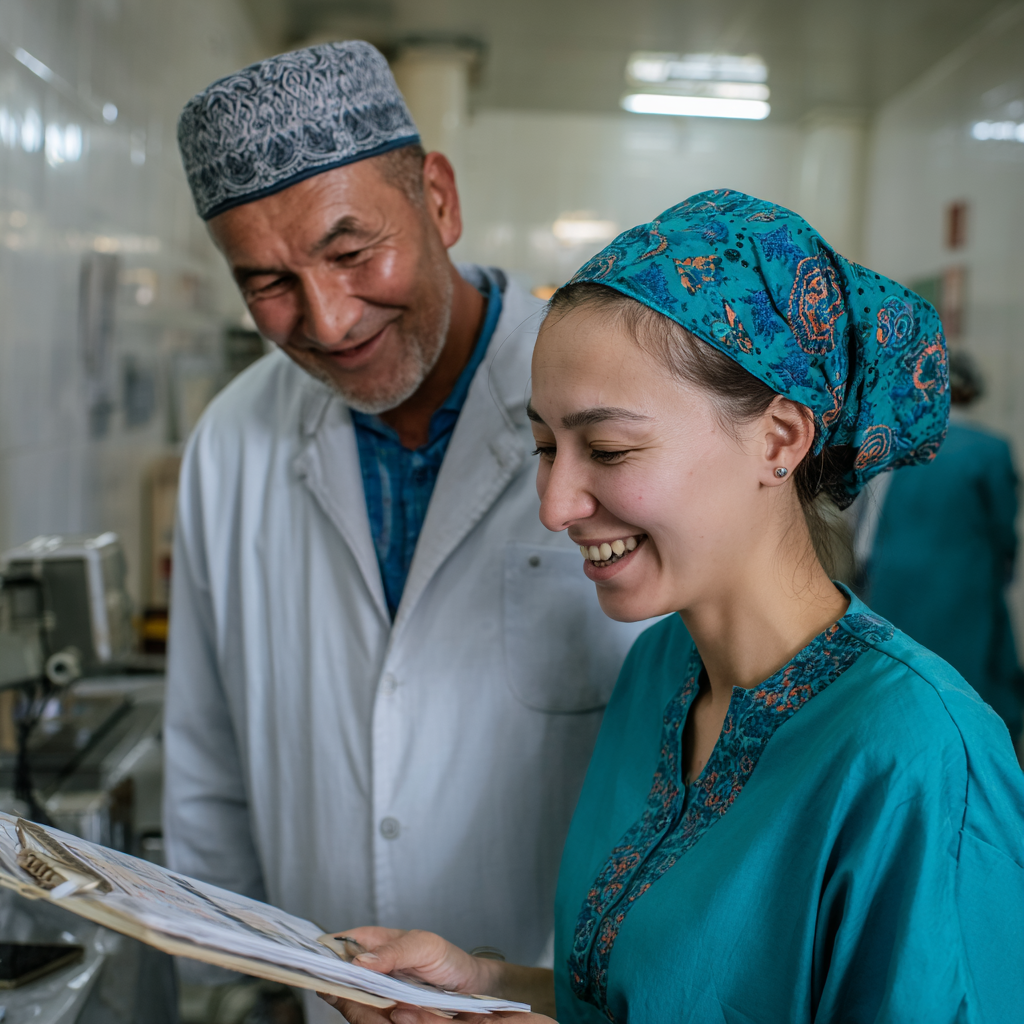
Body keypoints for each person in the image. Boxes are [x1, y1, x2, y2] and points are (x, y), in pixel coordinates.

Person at [321, 191, 1024, 1024]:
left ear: (779, 440)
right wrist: (483, 985)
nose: (555, 505)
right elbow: (639, 1000)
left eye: (609, 449)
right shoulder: (662, 669)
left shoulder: (922, 756)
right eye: (546, 448)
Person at [164, 41, 646, 1021]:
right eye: (268, 283)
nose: (329, 321)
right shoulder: (232, 442)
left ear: (438, 197)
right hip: (318, 998)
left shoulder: (611, 415)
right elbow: (207, 752)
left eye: (351, 254)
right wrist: (227, 986)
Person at [862, 351, 1024, 742]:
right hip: (961, 582)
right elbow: (1004, 528)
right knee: (966, 684)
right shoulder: (989, 449)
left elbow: (866, 524)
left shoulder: (899, 446)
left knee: (901, 679)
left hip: (892, 581)